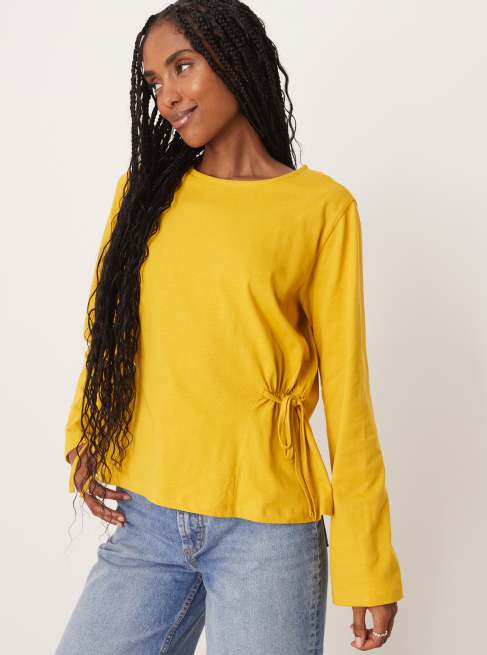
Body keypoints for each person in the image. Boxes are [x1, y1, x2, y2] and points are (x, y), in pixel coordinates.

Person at [56, 1, 404, 653]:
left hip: (266, 532)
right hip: (147, 517)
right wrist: (87, 428)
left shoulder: (320, 208)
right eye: (154, 81)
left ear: (235, 61)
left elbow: (349, 397)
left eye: (182, 67)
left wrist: (368, 564)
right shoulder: (142, 194)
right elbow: (109, 331)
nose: (167, 95)